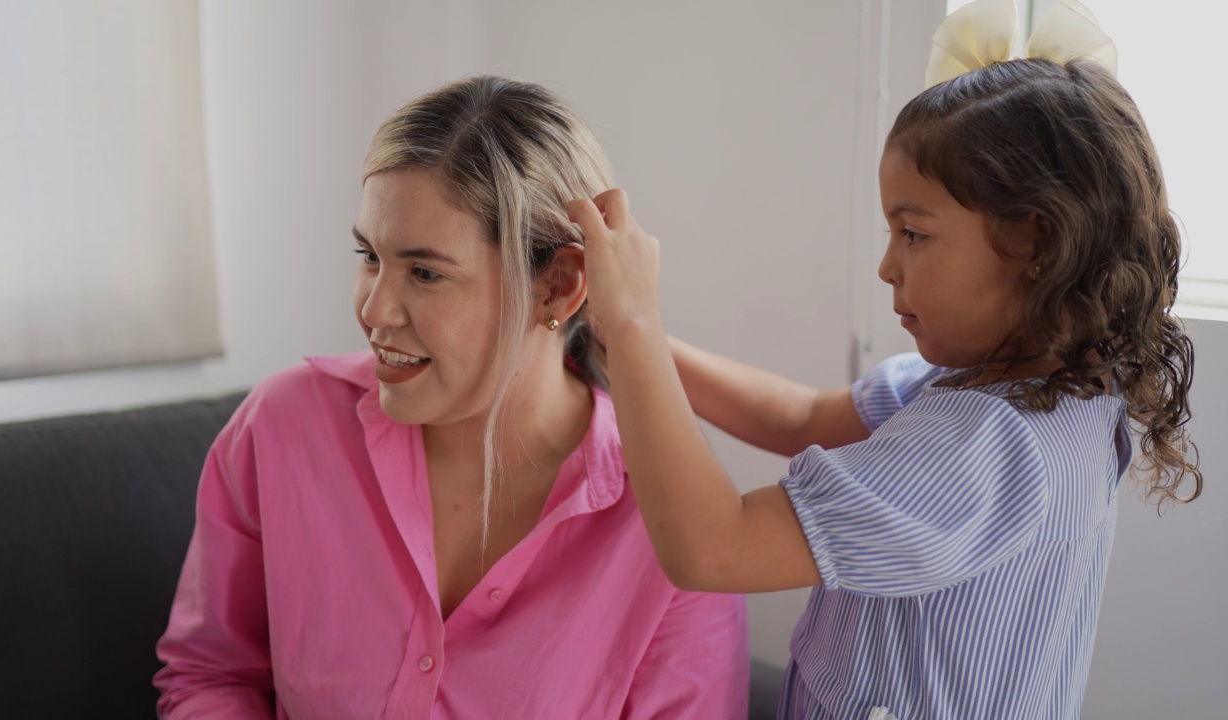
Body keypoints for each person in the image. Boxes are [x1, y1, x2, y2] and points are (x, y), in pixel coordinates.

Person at [569, 1, 1201, 717]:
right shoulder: (1028, 385)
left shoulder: (983, 451)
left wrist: (635, 319)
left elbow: (712, 547)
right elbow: (800, 415)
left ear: (1035, 242)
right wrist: (613, 341)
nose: (886, 266)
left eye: (913, 233)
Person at [154, 76, 748, 718]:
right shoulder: (280, 429)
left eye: (426, 272)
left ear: (560, 284)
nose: (375, 309)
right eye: (368, 256)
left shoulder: (669, 530)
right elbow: (210, 678)